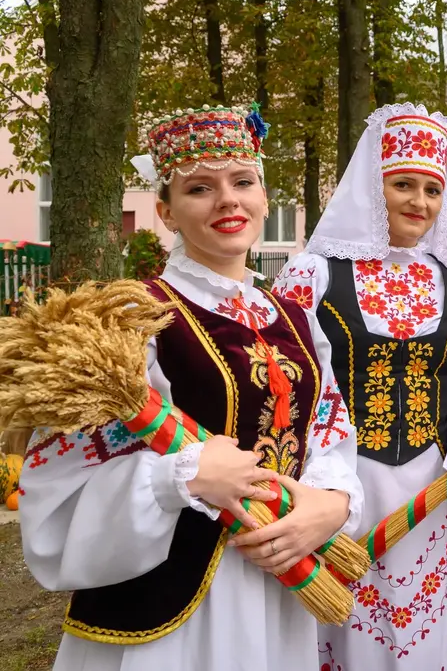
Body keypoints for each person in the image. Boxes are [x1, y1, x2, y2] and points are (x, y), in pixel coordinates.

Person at [18, 104, 363, 670]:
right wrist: (179, 477)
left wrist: (329, 503)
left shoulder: (295, 317)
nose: (228, 200)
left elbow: (327, 430)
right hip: (167, 602)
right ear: (166, 212)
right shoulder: (132, 316)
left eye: (242, 181)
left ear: (265, 197)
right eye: (199, 188)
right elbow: (60, 477)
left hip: (277, 581)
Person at [273, 103, 447, 671]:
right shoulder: (315, 273)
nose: (419, 202)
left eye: (432, 188)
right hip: (341, 488)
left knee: (429, 634)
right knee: (352, 632)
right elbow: (292, 384)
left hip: (431, 486)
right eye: (403, 184)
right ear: (375, 187)